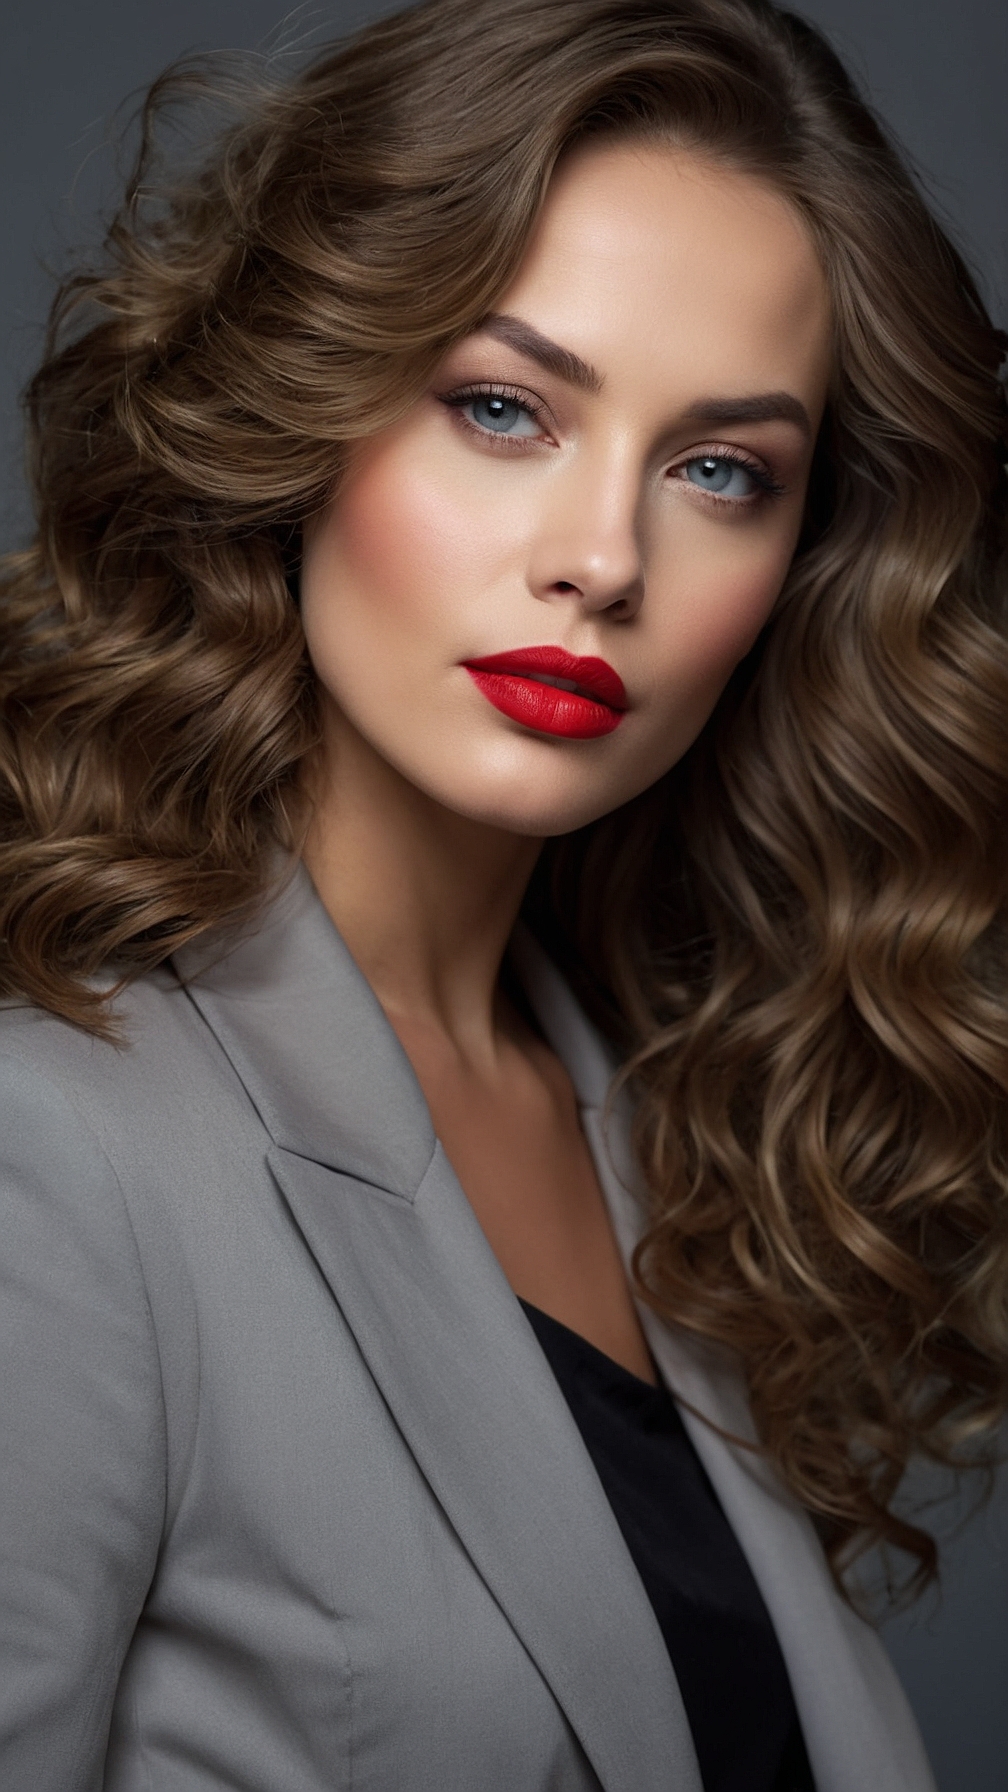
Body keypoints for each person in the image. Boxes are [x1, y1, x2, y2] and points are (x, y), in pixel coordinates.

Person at [1, 0, 1005, 1786]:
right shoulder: (54, 1141)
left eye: (722, 471)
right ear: (303, 406)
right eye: (502, 408)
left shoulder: (664, 1119)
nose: (604, 558)